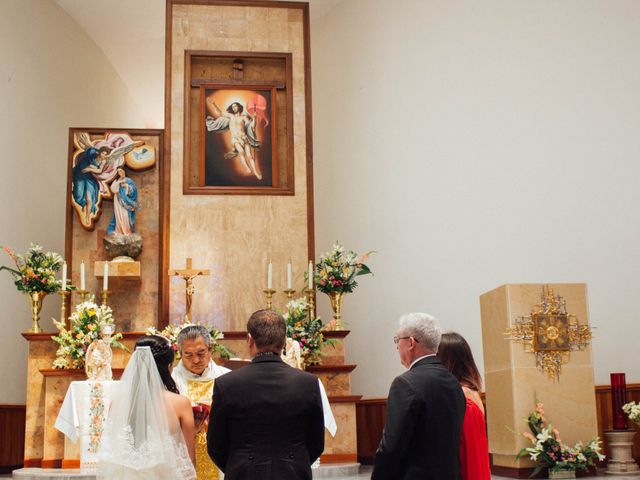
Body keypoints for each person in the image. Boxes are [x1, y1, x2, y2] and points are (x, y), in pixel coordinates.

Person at [207, 310, 325, 480]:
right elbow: (316, 442)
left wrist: (238, 466)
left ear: (249, 340)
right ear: (284, 341)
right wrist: (293, 462)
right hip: (293, 473)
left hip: (244, 473)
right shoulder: (308, 383)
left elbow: (216, 444)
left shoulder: (227, 384)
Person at [371, 312, 466, 480]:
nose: (396, 346)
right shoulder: (453, 381)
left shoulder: (405, 383)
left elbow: (391, 447)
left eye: (397, 340)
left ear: (411, 343)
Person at [97, 335, 196, 480]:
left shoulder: (117, 403)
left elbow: (112, 454)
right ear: (169, 367)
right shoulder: (180, 404)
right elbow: (188, 461)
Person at [172, 325, 230, 480]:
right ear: (179, 352)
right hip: (185, 454)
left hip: (220, 454)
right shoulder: (171, 382)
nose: (196, 360)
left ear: (210, 348)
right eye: (188, 355)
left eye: (200, 353)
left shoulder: (227, 379)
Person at [438, 332, 491, 480]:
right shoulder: (471, 390)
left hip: (466, 465)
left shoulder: (460, 394)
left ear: (447, 360)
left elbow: (464, 445)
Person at [205, 98, 262, 180]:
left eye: (235, 106)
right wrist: (213, 104)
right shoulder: (230, 116)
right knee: (242, 152)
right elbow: (220, 113)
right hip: (235, 139)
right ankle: (247, 168)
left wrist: (255, 118)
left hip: (244, 138)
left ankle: (256, 172)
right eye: (232, 107)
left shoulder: (244, 117)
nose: (234, 108)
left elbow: (252, 126)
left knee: (249, 156)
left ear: (239, 107)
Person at [107, 167, 139, 235]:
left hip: (126, 201)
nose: (120, 173)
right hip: (118, 200)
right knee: (118, 215)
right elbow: (113, 189)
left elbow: (134, 191)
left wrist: (127, 186)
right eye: (118, 172)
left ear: (124, 171)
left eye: (121, 171)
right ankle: (119, 231)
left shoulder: (129, 180)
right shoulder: (117, 180)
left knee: (125, 215)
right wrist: (118, 183)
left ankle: (127, 231)